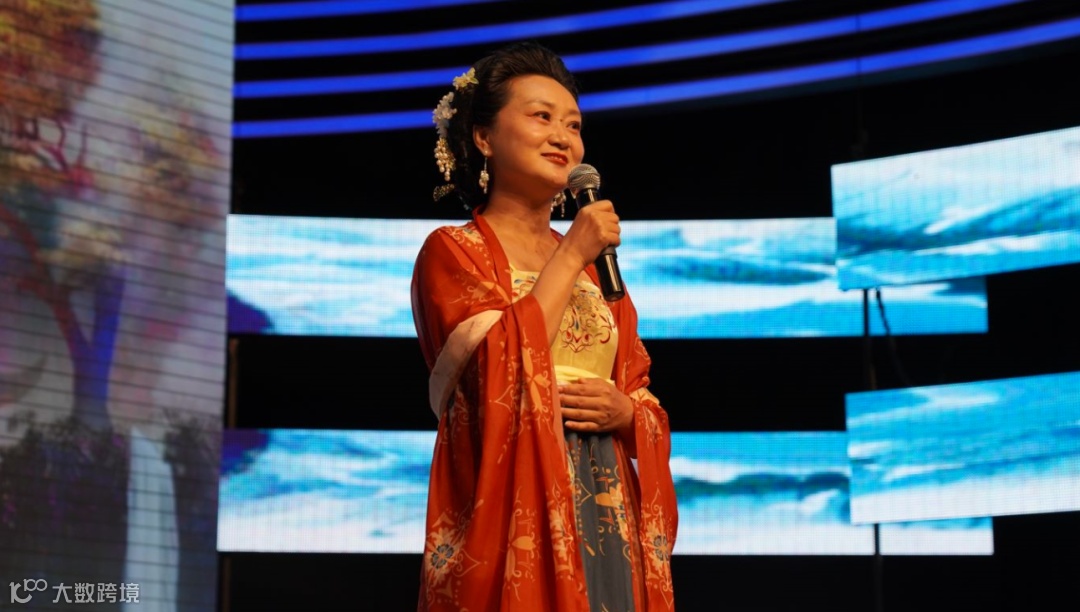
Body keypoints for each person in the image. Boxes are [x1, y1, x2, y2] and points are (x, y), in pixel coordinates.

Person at [411, 42, 677, 611]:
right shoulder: (454, 251)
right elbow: (490, 376)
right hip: (513, 502)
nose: (563, 137)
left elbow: (641, 393)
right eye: (541, 117)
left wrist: (628, 415)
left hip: (604, 500)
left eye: (573, 125)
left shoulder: (599, 273)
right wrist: (572, 252)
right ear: (484, 137)